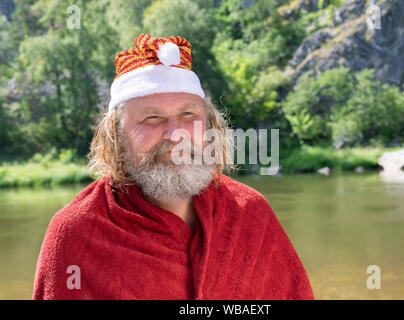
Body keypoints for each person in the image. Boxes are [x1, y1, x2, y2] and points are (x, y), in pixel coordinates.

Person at [32, 34, 314, 300]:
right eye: (151, 118)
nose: (175, 134)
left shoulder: (251, 212)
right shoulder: (76, 232)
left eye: (188, 114)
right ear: (116, 138)